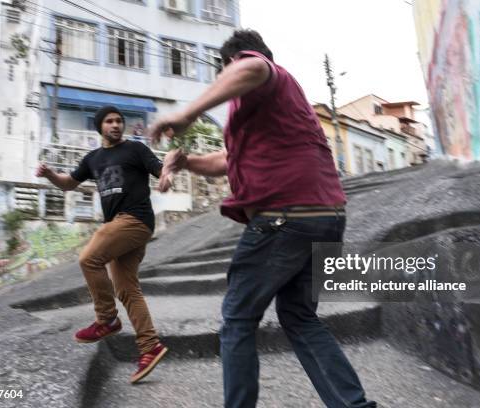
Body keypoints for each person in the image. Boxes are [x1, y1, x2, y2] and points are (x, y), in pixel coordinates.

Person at [149, 30, 376, 408]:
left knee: (238, 317)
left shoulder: (262, 71)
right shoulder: (269, 110)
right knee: (299, 317)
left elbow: (252, 67)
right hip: (324, 217)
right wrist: (186, 161)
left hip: (284, 219)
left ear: (232, 62)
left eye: (227, 70)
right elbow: (225, 161)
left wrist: (187, 112)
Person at [36, 106, 168, 384]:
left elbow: (160, 169)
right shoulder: (92, 158)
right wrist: (49, 174)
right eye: (110, 121)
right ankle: (150, 346)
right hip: (119, 225)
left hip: (134, 219)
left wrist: (167, 176)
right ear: (100, 127)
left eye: (119, 120)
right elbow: (69, 184)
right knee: (127, 289)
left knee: (88, 258)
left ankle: (106, 319)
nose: (116, 125)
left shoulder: (135, 150)